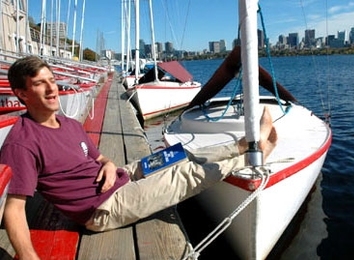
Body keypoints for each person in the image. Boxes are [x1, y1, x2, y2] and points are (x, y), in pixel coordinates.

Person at [0, 56, 277, 259]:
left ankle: (243, 145)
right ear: (22, 93)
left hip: (120, 176)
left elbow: (98, 159)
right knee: (181, 175)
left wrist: (108, 165)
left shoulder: (68, 124)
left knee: (176, 154)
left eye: (52, 80)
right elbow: (14, 208)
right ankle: (255, 155)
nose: (52, 89)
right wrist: (28, 256)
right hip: (104, 207)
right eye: (40, 84)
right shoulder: (22, 142)